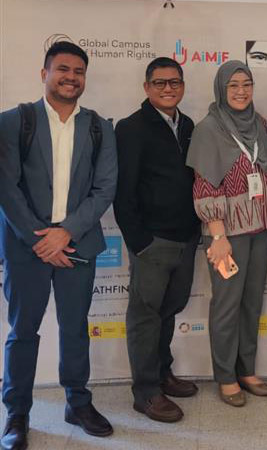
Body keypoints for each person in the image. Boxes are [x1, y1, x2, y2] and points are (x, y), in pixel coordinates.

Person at [0, 41, 117, 448]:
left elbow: (104, 189)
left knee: (75, 327)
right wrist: (40, 238)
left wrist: (65, 232)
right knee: (23, 331)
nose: (71, 78)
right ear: (44, 73)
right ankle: (16, 413)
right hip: (25, 244)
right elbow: (7, 187)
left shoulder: (99, 126)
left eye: (78, 72)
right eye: (62, 70)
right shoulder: (15, 121)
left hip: (77, 241)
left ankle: (78, 402)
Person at [187, 60, 267, 408]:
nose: (241, 91)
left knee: (252, 303)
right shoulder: (209, 128)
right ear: (221, 90)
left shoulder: (257, 124)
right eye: (233, 85)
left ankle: (247, 369)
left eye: (247, 84)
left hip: (260, 229)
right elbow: (205, 185)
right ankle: (225, 375)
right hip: (227, 233)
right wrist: (218, 235)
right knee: (226, 305)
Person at [114, 57, 200, 423]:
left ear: (182, 86)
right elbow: (123, 191)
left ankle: (163, 372)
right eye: (160, 83)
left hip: (186, 238)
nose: (168, 88)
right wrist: (140, 241)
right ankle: (146, 391)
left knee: (170, 309)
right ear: (147, 87)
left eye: (175, 82)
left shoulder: (189, 125)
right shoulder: (131, 128)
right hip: (153, 242)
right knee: (145, 316)